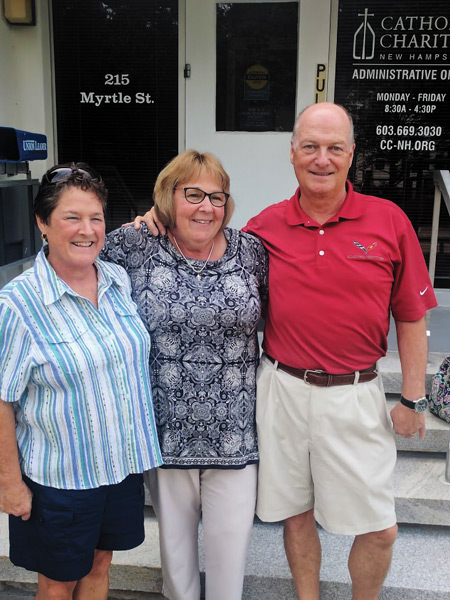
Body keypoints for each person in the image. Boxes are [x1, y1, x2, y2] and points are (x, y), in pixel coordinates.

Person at [138, 103, 438, 600]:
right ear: (293, 152)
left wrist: (412, 397)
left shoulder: (389, 220)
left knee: (380, 526)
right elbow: (204, 248)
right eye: (311, 147)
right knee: (295, 515)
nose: (322, 159)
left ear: (351, 154)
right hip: (280, 390)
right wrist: (161, 218)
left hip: (356, 394)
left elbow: (412, 314)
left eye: (334, 148)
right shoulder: (263, 229)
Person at [101, 150, 268, 600]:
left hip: (235, 432)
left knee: (229, 563)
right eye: (193, 194)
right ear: (167, 198)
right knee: (176, 563)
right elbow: (67, 251)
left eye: (217, 197)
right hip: (163, 429)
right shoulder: (133, 245)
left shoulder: (250, 250)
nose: (206, 207)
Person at [0, 163, 162, 600]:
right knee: (58, 582)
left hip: (118, 467)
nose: (87, 230)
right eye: (72, 217)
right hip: (60, 479)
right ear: (42, 223)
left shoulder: (116, 280)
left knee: (99, 564)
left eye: (96, 218)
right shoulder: (18, 304)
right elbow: (1, 399)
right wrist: (8, 483)